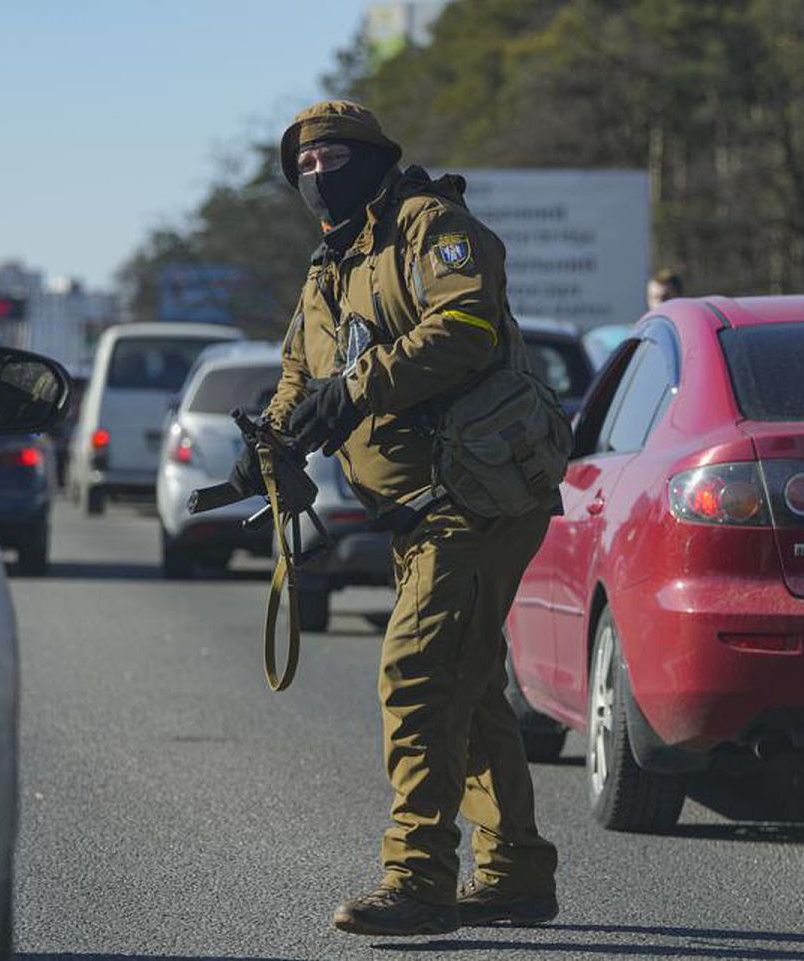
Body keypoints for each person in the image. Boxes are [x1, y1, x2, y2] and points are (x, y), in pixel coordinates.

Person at [229, 100, 559, 937]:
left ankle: (417, 878)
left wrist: (359, 385)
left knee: (417, 676)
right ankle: (517, 871)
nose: (318, 172)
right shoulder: (327, 267)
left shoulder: (430, 226)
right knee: (471, 685)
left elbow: (466, 325)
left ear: (376, 158)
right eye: (303, 163)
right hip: (416, 512)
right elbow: (302, 375)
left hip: (475, 497)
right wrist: (271, 443)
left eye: (334, 155)